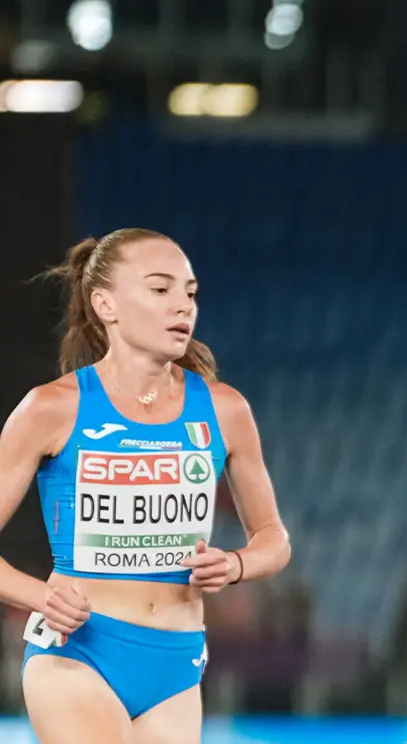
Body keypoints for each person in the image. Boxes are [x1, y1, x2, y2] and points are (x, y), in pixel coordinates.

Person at [0, 229, 291, 743]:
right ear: (104, 304)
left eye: (191, 292)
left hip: (176, 666)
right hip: (79, 653)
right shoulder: (51, 408)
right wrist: (40, 595)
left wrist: (235, 564)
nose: (183, 305)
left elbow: (274, 540)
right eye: (161, 290)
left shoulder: (226, 409)